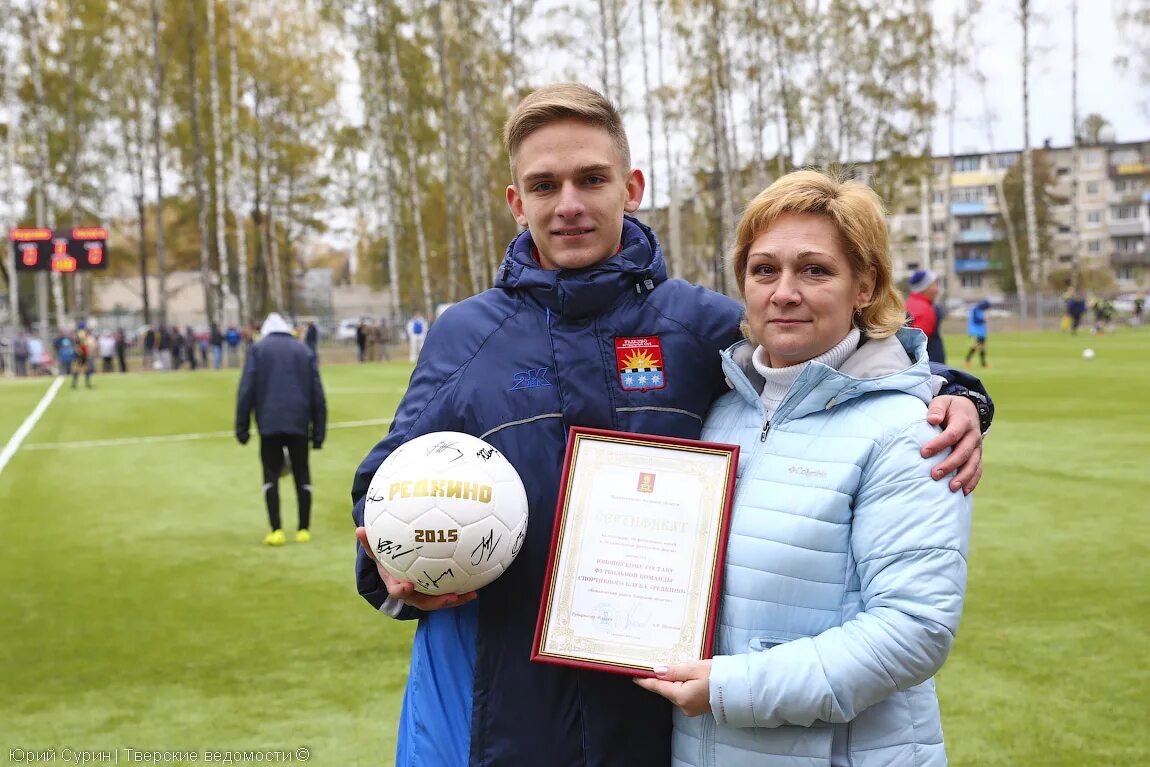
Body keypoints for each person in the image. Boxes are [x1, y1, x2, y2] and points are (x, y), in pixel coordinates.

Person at [350, 83, 991, 767]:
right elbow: (384, 488)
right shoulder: (465, 335)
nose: (568, 204)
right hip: (510, 718)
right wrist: (391, 571)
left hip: (662, 725)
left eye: (591, 179)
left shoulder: (699, 325)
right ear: (517, 201)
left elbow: (821, 362)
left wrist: (957, 393)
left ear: (631, 185)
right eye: (544, 185)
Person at [635, 169, 972, 766]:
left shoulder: (908, 429)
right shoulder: (720, 410)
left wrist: (730, 688)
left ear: (864, 285)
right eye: (764, 270)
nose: (784, 291)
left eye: (814, 270)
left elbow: (914, 628)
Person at [236, 312, 326, 546]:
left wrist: (242, 427)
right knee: (302, 474)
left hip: (269, 424)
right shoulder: (302, 350)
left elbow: (246, 389)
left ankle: (276, 529)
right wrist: (318, 432)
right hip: (298, 423)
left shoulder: (257, 350)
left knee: (270, 476)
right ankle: (303, 529)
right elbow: (317, 392)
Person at [905, 269, 942, 362]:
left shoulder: (909, 302)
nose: (937, 290)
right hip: (929, 364)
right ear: (924, 287)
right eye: (934, 285)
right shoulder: (924, 310)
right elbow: (918, 344)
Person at [965, 298, 991, 368]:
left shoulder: (982, 310)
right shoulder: (974, 309)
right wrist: (984, 319)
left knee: (982, 347)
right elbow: (976, 320)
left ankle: (983, 363)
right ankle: (967, 360)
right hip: (974, 331)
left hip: (981, 331)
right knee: (975, 346)